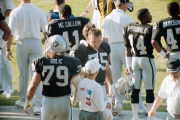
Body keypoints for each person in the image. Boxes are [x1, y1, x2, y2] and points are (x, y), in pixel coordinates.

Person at [102, 0, 147, 114]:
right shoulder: (127, 18)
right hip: (125, 48)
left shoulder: (107, 18)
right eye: (126, 4)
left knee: (115, 78)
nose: (127, 5)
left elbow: (104, 39)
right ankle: (140, 106)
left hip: (111, 48)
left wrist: (107, 54)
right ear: (123, 4)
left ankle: (118, 106)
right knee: (133, 78)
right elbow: (132, 37)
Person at [24, 35, 82, 120]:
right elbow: (78, 86)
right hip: (64, 102)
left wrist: (28, 101)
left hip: (48, 103)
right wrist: (74, 99)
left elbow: (33, 86)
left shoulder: (41, 62)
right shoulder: (72, 62)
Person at [7, 0, 47, 114]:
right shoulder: (38, 11)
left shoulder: (15, 12)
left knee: (23, 74)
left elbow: (10, 32)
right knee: (37, 74)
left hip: (22, 44)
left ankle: (23, 100)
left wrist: (8, 49)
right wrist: (45, 39)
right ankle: (37, 104)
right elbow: (46, 30)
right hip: (35, 43)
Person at [124, 8, 161, 120]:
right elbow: (156, 44)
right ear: (144, 17)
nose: (150, 16)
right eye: (149, 14)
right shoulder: (150, 29)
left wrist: (128, 65)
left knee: (135, 89)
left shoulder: (128, 27)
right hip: (147, 60)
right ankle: (151, 117)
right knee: (149, 89)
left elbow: (127, 49)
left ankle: (135, 116)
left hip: (134, 60)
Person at [70, 27, 115, 104]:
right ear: (87, 39)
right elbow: (73, 72)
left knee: (104, 111)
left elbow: (106, 68)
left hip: (101, 85)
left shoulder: (104, 47)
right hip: (86, 87)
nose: (96, 44)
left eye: (98, 41)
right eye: (93, 41)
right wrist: (85, 69)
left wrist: (111, 85)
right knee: (88, 112)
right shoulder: (80, 49)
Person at [0, 0, 15, 95]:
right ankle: (1, 86)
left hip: (3, 25)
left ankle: (9, 87)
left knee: (4, 58)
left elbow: (10, 9)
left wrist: (0, 16)